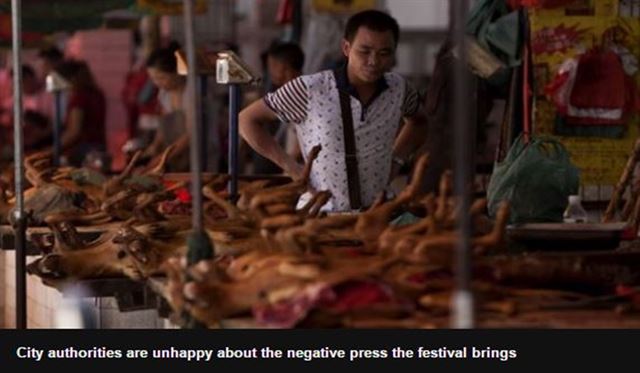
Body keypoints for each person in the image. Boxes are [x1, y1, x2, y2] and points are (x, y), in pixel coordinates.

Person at [239, 10, 425, 212]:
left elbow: (420, 122)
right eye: (365, 51)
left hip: (379, 214)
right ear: (346, 47)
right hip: (321, 216)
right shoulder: (310, 88)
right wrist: (292, 168)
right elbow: (247, 119)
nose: (373, 61)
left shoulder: (398, 89)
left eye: (384, 53)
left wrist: (396, 160)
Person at [144, 43, 220, 172]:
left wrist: (162, 158)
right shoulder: (164, 94)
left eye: (161, 78)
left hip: (201, 156)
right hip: (177, 158)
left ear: (177, 72)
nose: (157, 83)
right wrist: (154, 147)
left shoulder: (193, 91)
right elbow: (163, 127)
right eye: (154, 79)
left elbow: (192, 134)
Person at [252, 42, 305, 174]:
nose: (270, 71)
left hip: (297, 170)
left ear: (284, 67)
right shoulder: (286, 92)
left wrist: (288, 166)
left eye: (273, 65)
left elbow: (300, 143)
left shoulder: (299, 92)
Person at [54, 59, 107, 167]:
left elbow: (74, 131)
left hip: (83, 151)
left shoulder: (79, 97)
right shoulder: (97, 94)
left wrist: (54, 149)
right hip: (99, 147)